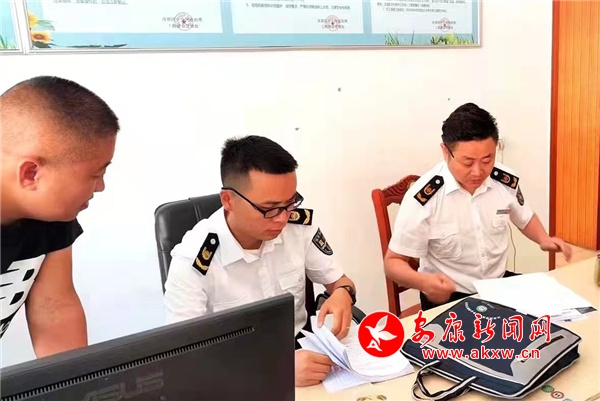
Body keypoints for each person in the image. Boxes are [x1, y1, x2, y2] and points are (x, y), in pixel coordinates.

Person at [163, 135, 357, 387]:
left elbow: (341, 281)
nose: (282, 218)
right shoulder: (193, 261)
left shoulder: (298, 227)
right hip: (235, 375)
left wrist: (342, 293)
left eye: (290, 203)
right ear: (228, 200)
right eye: (270, 208)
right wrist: (277, 370)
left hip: (303, 358)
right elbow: (184, 359)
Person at [384, 103, 572, 311]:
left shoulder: (504, 181)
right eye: (468, 162)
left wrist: (544, 239)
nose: (478, 172)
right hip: (450, 297)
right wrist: (424, 282)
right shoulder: (424, 198)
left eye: (487, 160)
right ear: (445, 152)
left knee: (554, 315)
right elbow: (393, 263)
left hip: (497, 286)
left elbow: (525, 217)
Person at [1, 76, 119, 357]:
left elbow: (54, 307)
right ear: (31, 174)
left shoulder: (50, 217)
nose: (100, 187)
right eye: (95, 175)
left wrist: (78, 381)